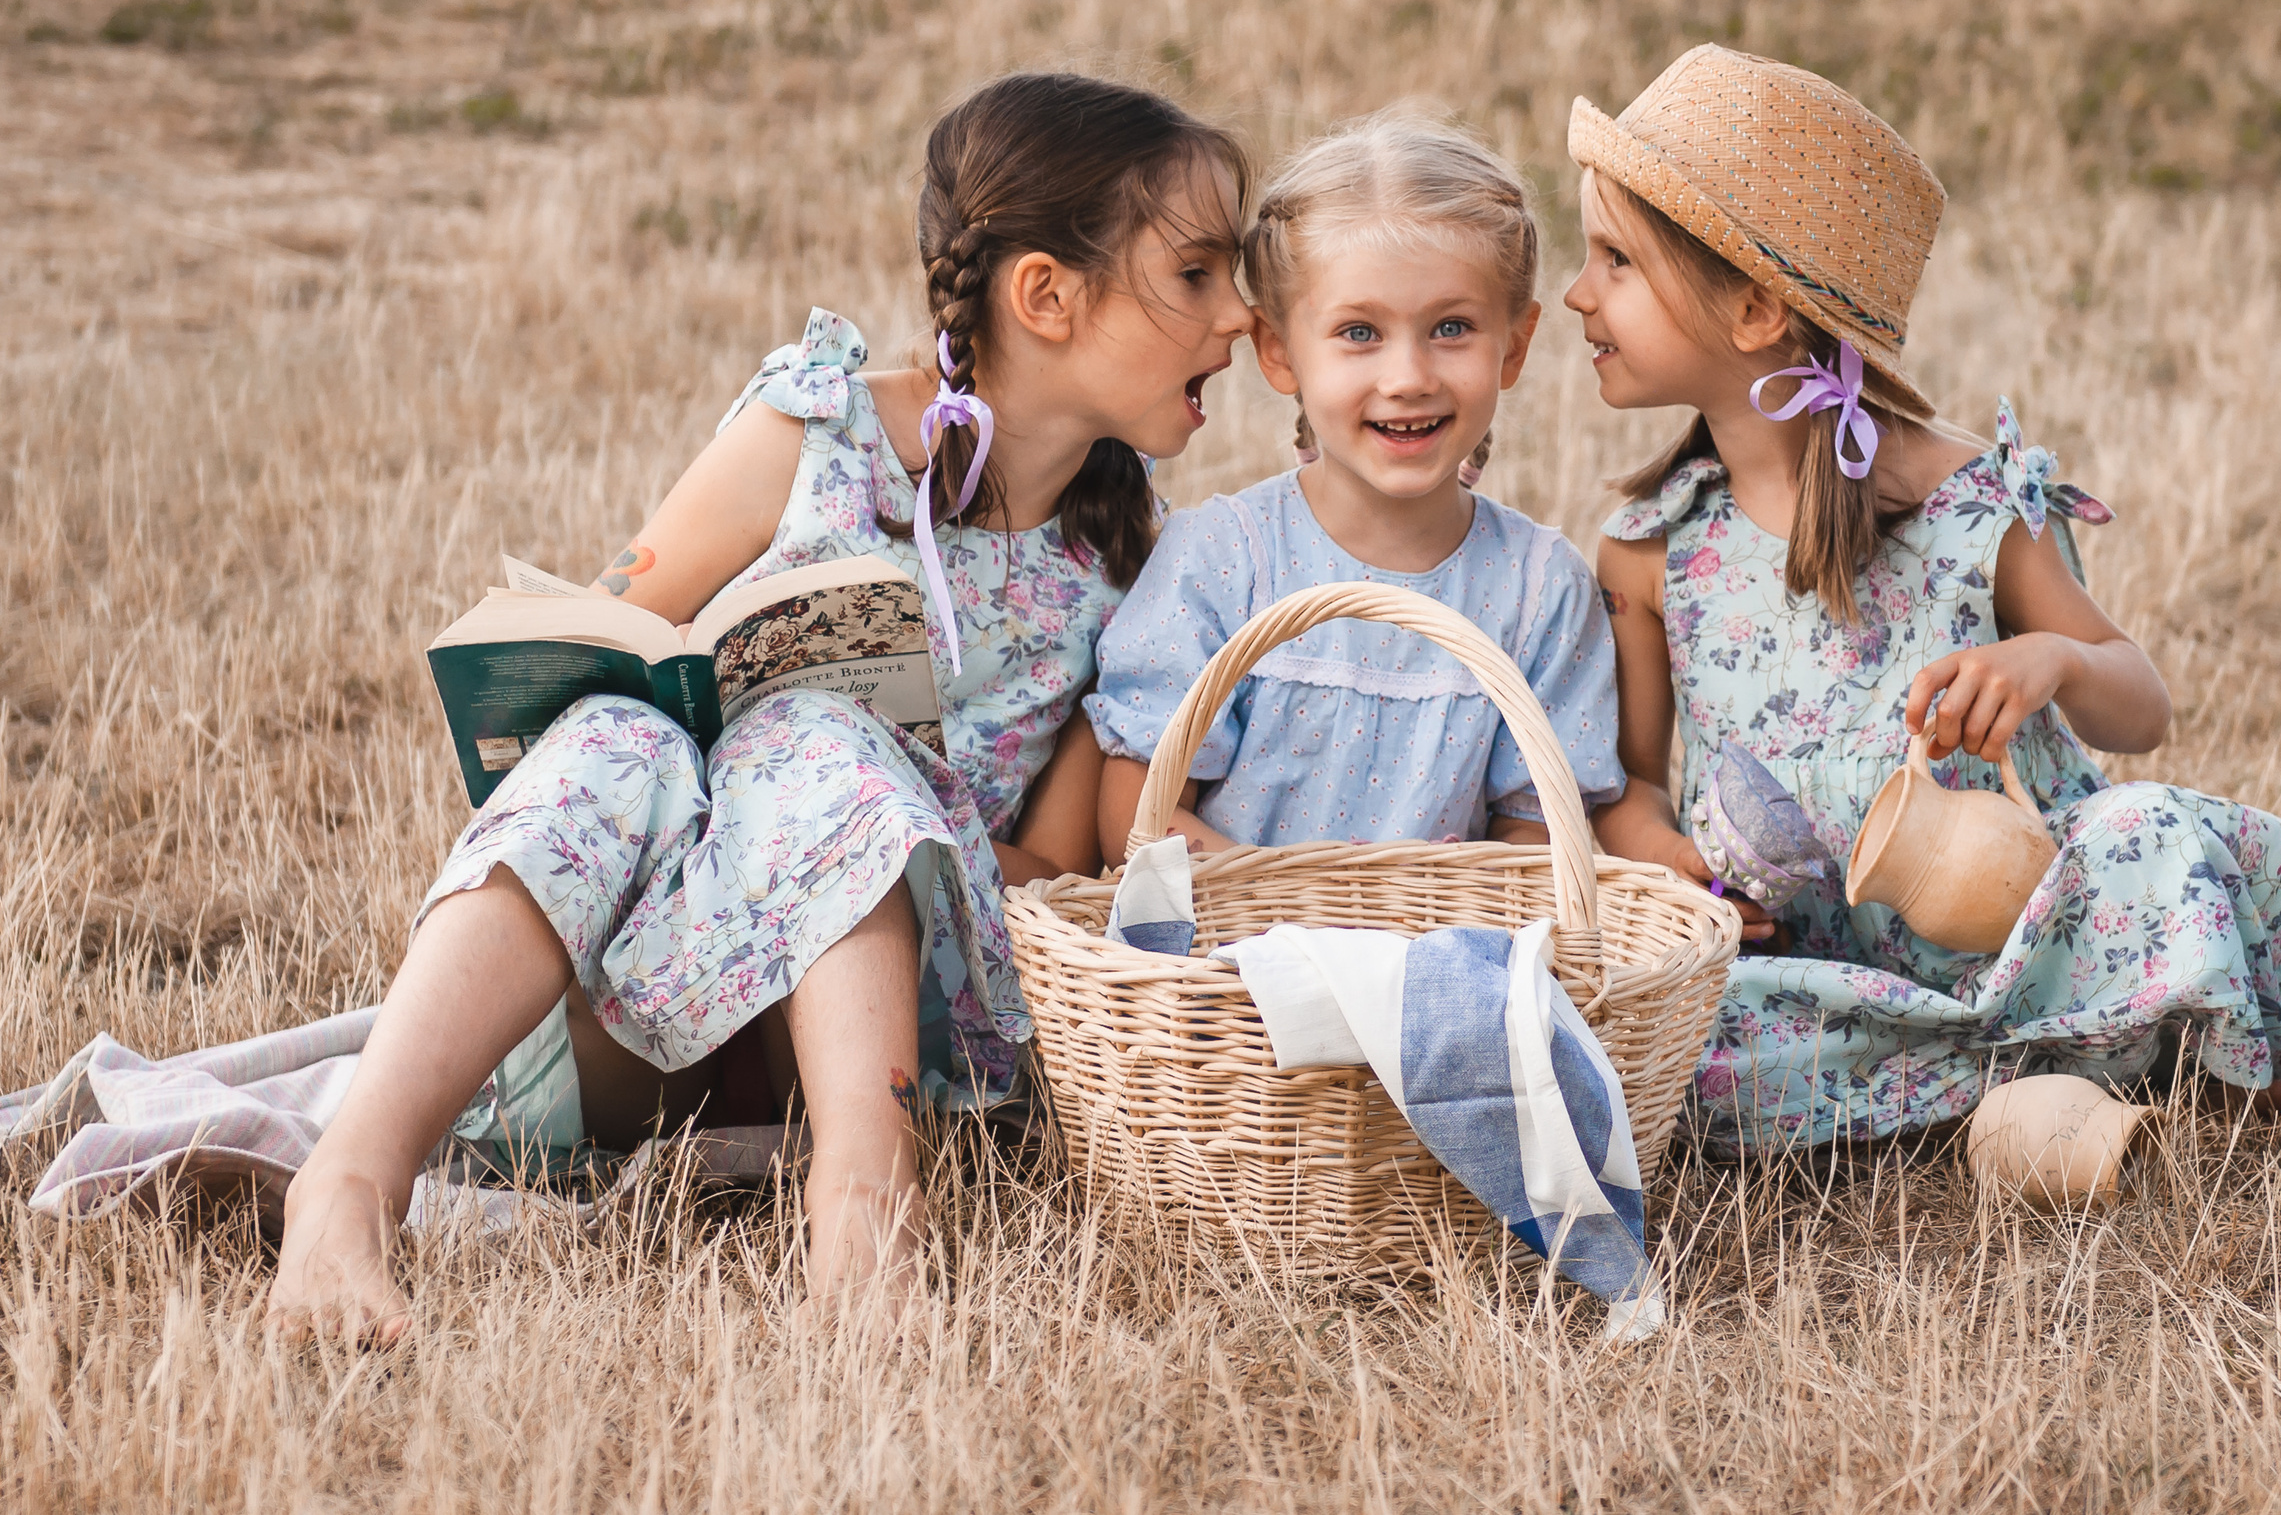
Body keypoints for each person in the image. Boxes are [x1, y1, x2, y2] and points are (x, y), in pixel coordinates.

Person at [266, 72, 1255, 1338]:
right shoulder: (817, 429)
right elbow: (611, 633)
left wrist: (863, 803)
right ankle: (346, 1188)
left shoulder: (1125, 565)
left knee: (823, 738)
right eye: (1196, 274)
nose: (1238, 313)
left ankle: (867, 1216)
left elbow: (1051, 870)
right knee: (627, 734)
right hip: (634, 1011)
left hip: (901, 1039)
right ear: (1046, 295)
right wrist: (719, 748)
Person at [1573, 46, 2281, 1154]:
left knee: (2146, 831)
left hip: (2030, 920)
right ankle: (2051, 1065)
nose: (1579, 293)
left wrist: (2050, 664)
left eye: (1615, 261)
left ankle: (2179, 1076)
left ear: (1754, 312)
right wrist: (1670, 857)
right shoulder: (1651, 551)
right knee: (1679, 1028)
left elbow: (2139, 706)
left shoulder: (1968, 504)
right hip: (1826, 972)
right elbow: (1626, 785)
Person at [1090, 114, 1622, 858]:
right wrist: (1301, 929)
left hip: (1441, 966)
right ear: (1278, 353)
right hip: (1233, 961)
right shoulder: (1223, 558)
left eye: (1452, 328)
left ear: (1516, 345)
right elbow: (1139, 818)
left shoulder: (1541, 591)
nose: (1408, 378)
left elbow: (1535, 843)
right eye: (1360, 334)